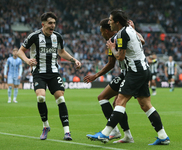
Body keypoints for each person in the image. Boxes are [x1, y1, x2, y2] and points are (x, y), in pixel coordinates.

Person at [86, 9, 170, 145]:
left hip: (135, 72)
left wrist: (112, 48)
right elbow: (141, 41)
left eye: (110, 20)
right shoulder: (129, 30)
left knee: (119, 101)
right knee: (145, 105)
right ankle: (163, 136)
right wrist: (134, 31)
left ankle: (105, 133)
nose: (109, 22)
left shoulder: (121, 34)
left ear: (117, 22)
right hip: (143, 70)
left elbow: (120, 56)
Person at [17, 12, 81, 140]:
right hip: (39, 73)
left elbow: (61, 52)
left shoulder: (57, 37)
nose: (53, 26)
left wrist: (74, 60)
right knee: (40, 98)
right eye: (50, 23)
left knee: (60, 98)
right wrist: (28, 60)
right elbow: (20, 51)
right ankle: (46, 126)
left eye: (54, 23)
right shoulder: (34, 36)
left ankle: (67, 132)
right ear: (43, 24)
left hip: (53, 73)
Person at [84, 18, 143, 143]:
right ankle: (123, 134)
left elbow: (140, 42)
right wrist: (96, 75)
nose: (101, 34)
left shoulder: (119, 37)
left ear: (107, 30)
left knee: (116, 102)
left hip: (132, 73)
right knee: (105, 98)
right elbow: (111, 64)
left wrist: (95, 75)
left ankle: (116, 132)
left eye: (101, 32)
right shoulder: (112, 40)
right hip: (126, 73)